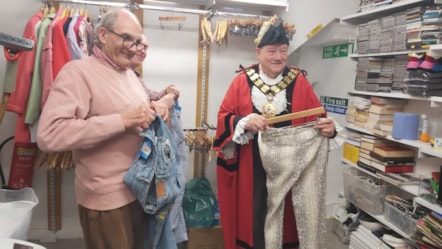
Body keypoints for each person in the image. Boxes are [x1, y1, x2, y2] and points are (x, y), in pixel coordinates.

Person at [213, 16, 342, 249]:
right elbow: (224, 119)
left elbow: (318, 120)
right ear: (258, 52)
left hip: (290, 167)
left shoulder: (299, 81)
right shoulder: (241, 81)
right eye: (272, 51)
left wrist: (330, 129)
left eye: (283, 51)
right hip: (251, 166)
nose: (279, 57)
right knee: (254, 216)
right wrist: (244, 122)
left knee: (287, 222)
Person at [37, 9, 159, 249]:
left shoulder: (128, 75)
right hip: (106, 201)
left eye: (136, 41)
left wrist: (156, 107)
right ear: (103, 34)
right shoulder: (78, 73)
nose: (133, 48)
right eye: (126, 38)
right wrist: (122, 120)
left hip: (138, 192)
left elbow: (136, 114)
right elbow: (49, 134)